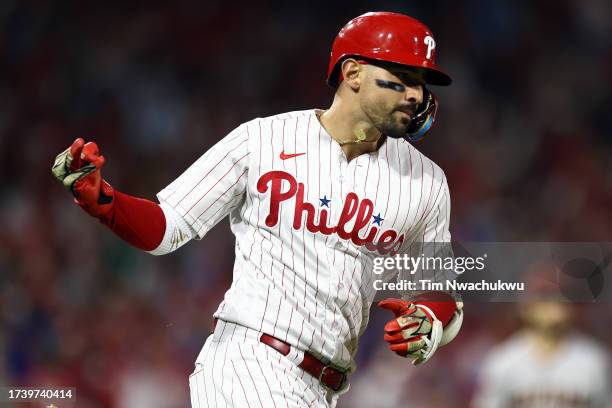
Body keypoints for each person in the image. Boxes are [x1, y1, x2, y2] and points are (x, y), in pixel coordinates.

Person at [52, 11, 463, 407]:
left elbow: (441, 292)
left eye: (422, 83)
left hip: (325, 388)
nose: (416, 93)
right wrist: (105, 201)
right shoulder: (262, 140)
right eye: (403, 78)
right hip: (249, 361)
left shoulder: (425, 182)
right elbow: (168, 226)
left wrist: (429, 320)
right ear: (352, 72)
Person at [473, 265, 611, 408]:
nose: (554, 304)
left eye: (561, 296)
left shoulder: (595, 361)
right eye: (545, 296)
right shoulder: (503, 360)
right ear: (525, 306)